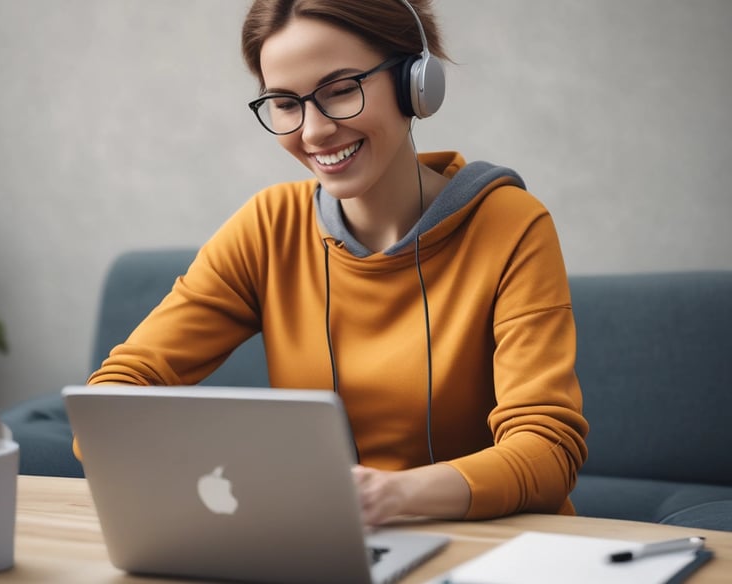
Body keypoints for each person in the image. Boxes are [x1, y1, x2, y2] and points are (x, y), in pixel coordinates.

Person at [83, 0, 588, 526]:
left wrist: (393, 496)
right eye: (285, 103)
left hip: (496, 551)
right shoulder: (269, 226)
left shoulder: (510, 224)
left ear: (415, 81)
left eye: (341, 90)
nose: (314, 131)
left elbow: (547, 450)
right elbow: (119, 389)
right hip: (331, 544)